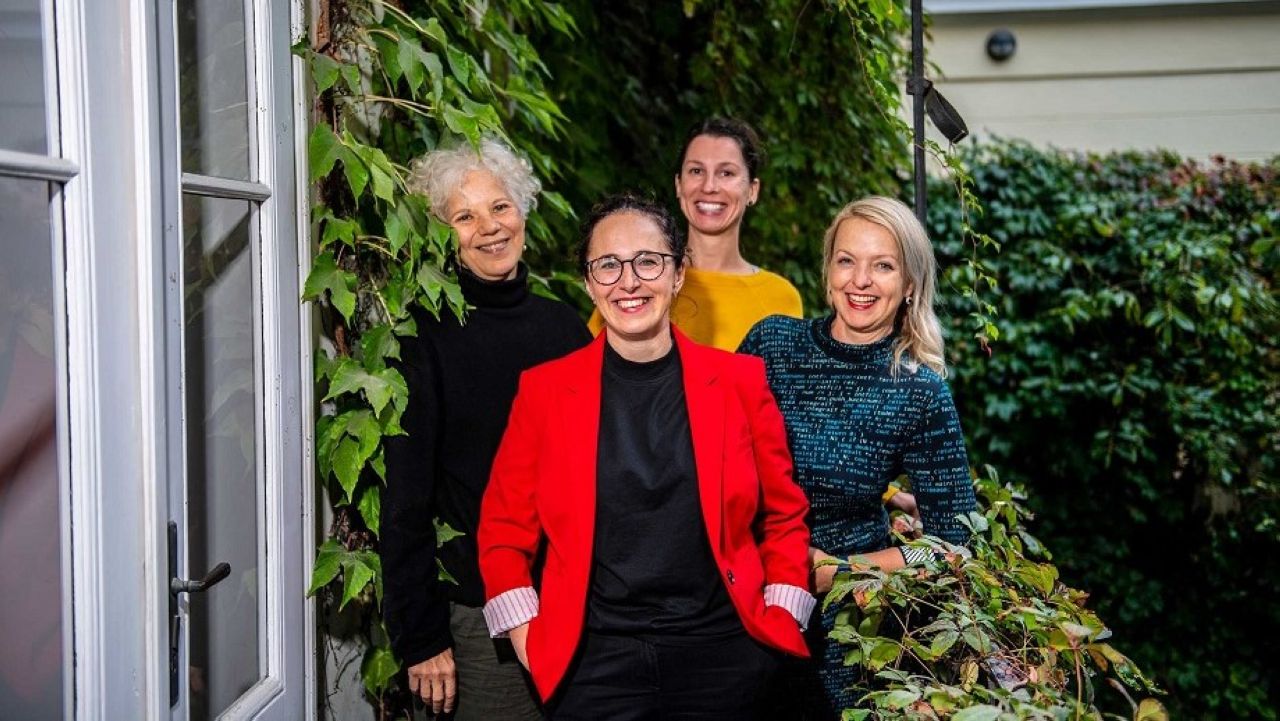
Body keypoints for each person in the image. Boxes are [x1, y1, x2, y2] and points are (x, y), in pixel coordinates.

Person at [478, 194, 815, 720]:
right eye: (608, 265)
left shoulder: (739, 382)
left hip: (728, 660)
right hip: (594, 668)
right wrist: (528, 639)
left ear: (678, 274)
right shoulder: (545, 392)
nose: (628, 282)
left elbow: (784, 515)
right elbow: (502, 531)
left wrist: (783, 613)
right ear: (589, 283)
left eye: (648, 261)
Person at [738, 196, 978, 718]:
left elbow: (953, 547)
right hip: (742, 605)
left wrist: (844, 572)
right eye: (847, 260)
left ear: (910, 283)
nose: (860, 281)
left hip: (844, 634)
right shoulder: (771, 344)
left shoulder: (918, 391)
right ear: (828, 270)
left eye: (883, 265)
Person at [380, 137, 591, 719]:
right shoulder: (422, 336)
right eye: (464, 216)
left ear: (522, 210)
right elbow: (405, 497)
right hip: (478, 616)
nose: (489, 227)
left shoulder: (564, 328)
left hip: (575, 600)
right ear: (442, 232)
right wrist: (421, 635)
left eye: (500, 206)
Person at [588, 117, 802, 352]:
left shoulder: (780, 298)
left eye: (726, 173)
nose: (709, 186)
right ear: (679, 184)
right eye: (696, 171)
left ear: (752, 190)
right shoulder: (639, 284)